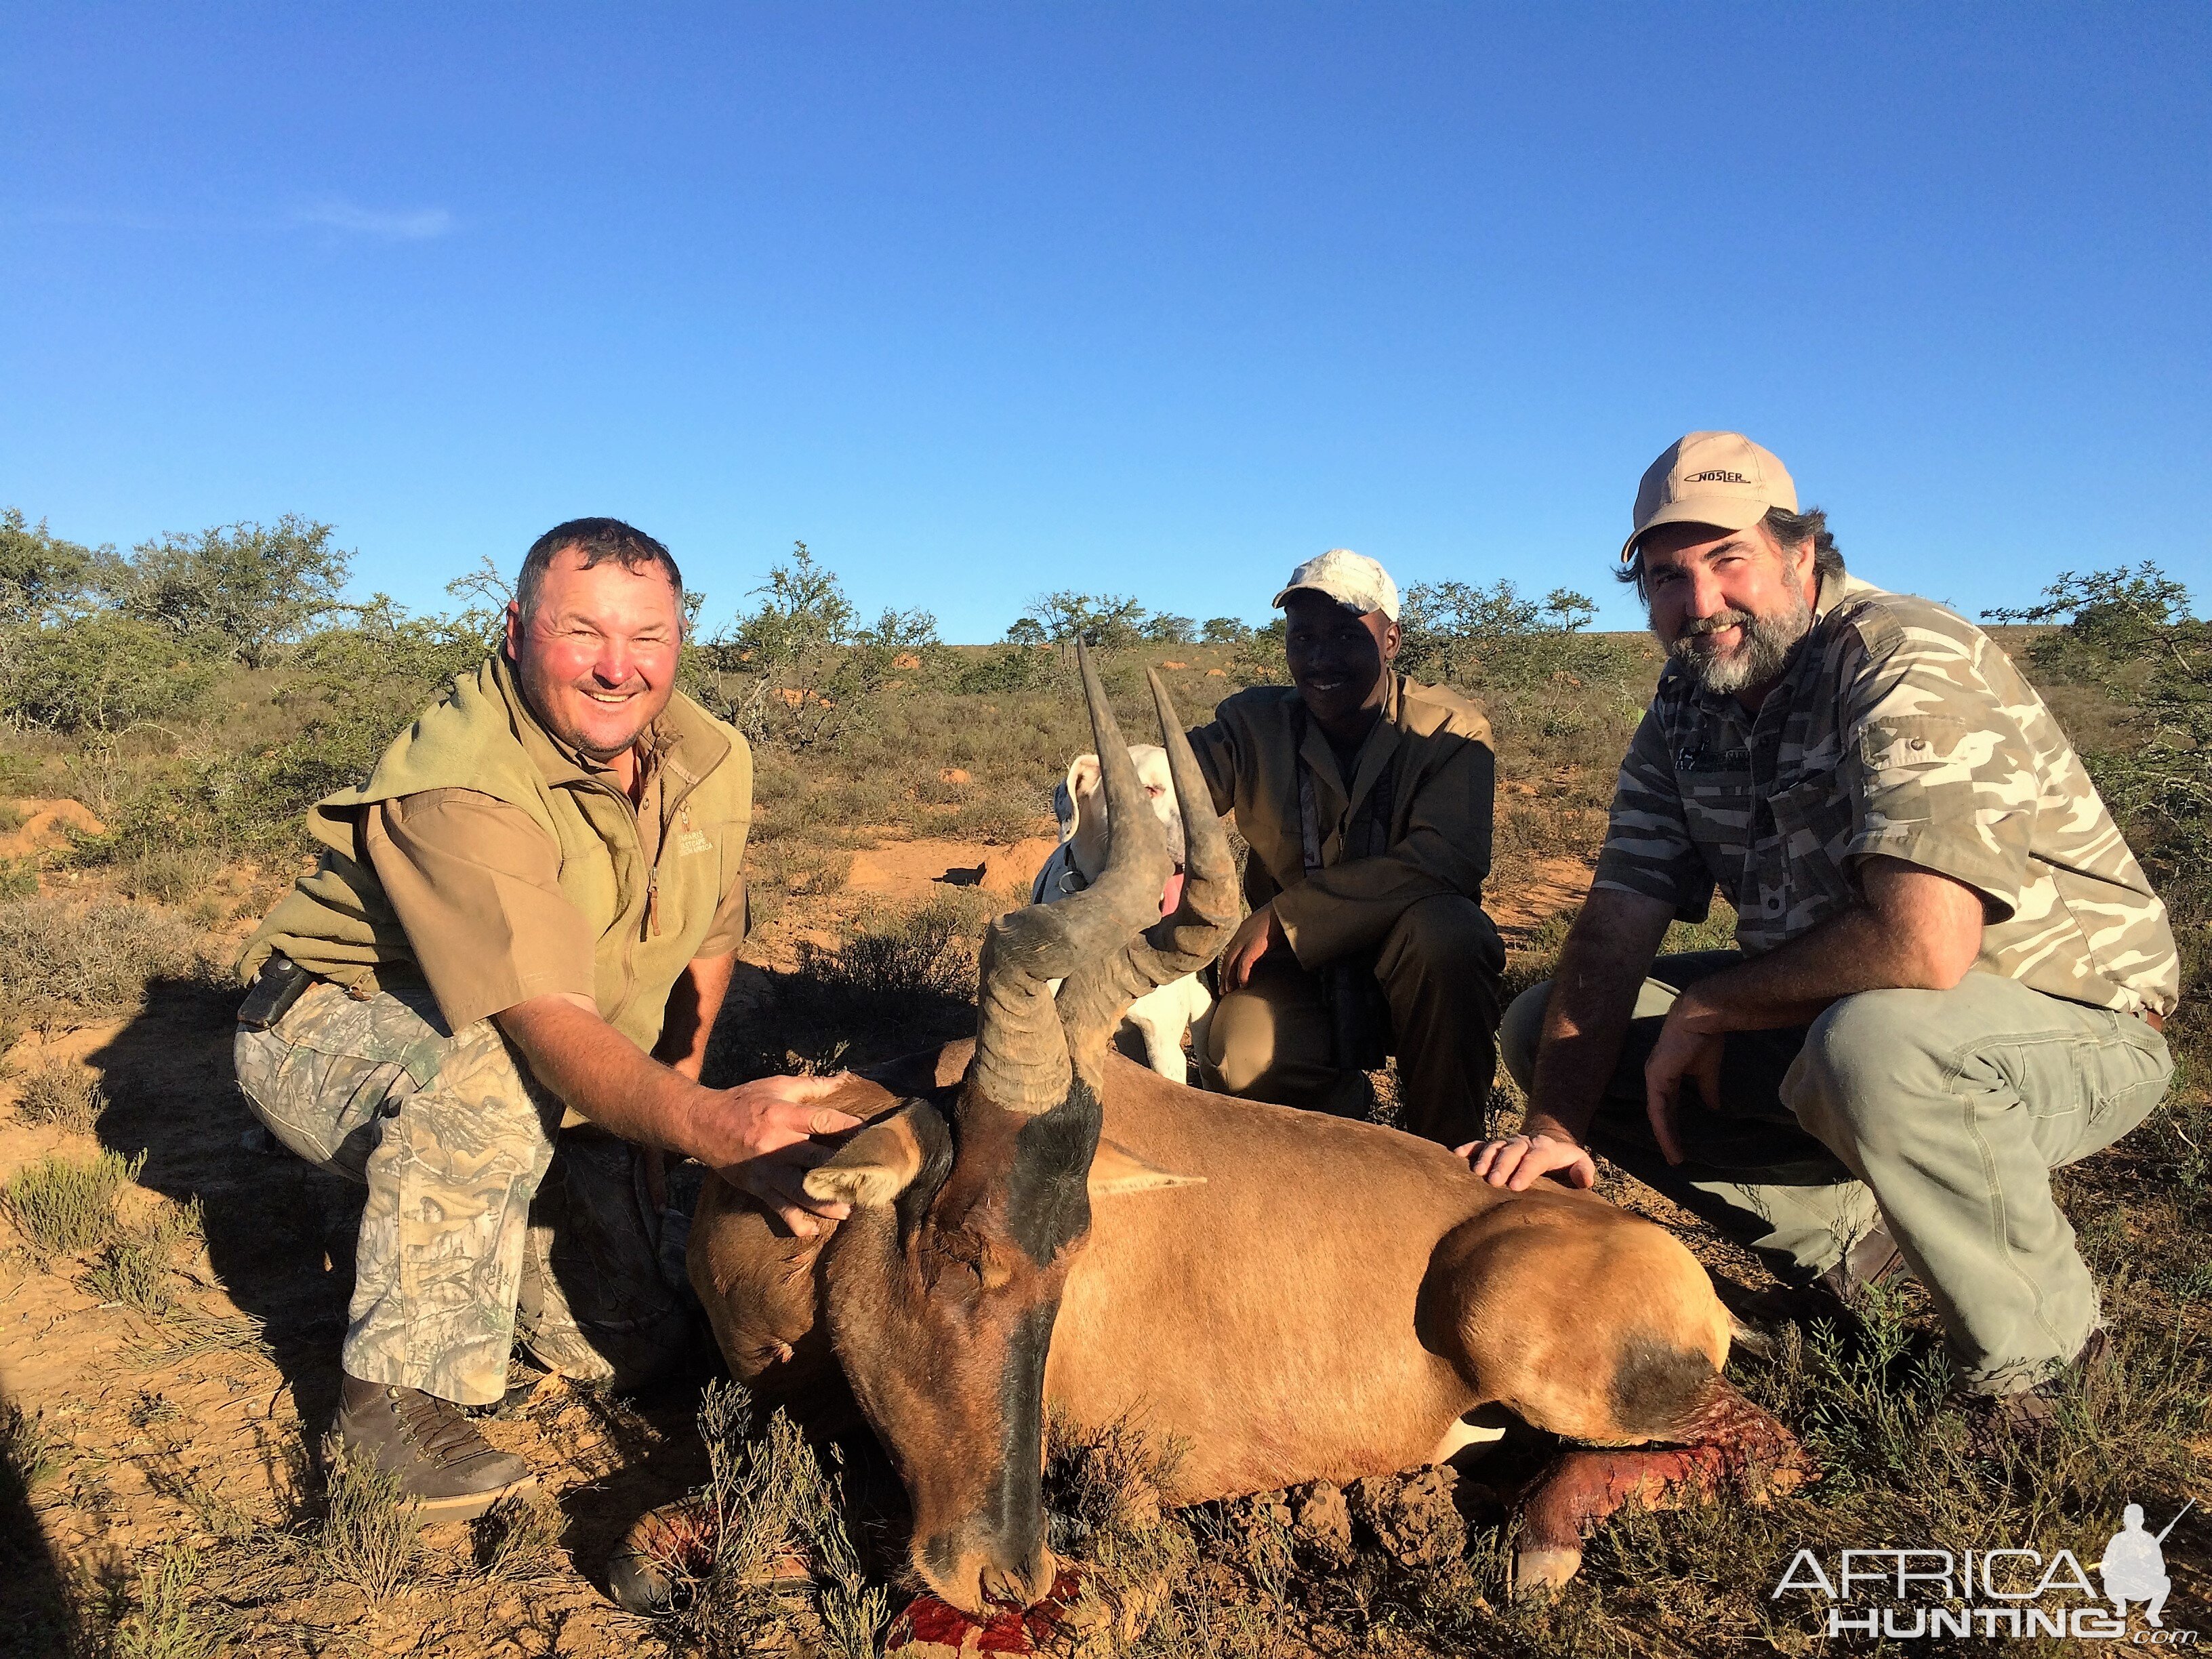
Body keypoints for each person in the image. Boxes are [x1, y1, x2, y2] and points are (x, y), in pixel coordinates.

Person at [1463, 432, 2178, 1435]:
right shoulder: (1686, 702)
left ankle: (2046, 1374)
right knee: (1553, 1031)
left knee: (1873, 1050)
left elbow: (1925, 945)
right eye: (1668, 577)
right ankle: (1861, 1262)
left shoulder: (1901, 655)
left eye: (1728, 560)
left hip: (2068, 1021)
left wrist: (1713, 1007)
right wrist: (1554, 1128)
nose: (1701, 602)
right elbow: (1619, 916)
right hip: (1847, 1009)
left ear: (1802, 553)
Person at [234, 518, 859, 1519]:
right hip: (333, 1025)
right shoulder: (463, 779)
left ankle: (472, 1222)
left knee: (636, 1347)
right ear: (517, 627)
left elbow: (711, 922)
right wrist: (711, 1131)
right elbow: (545, 1021)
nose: (619, 669)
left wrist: (681, 1093)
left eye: (647, 638)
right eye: (583, 634)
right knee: (490, 1079)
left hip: (545, 1049)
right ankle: (390, 1402)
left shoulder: (709, 753)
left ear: (681, 637)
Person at [1187, 550, 1506, 1147]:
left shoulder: (1450, 732)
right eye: (1302, 637)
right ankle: (1342, 1132)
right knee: (1241, 1061)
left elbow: (1445, 861)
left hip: (1409, 961)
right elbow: (1167, 783)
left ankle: (1447, 1155)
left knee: (1451, 936)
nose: (1319, 657)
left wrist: (1289, 919)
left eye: (1343, 635)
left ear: (1391, 640)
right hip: (1297, 970)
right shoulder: (1251, 725)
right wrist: (1103, 796)